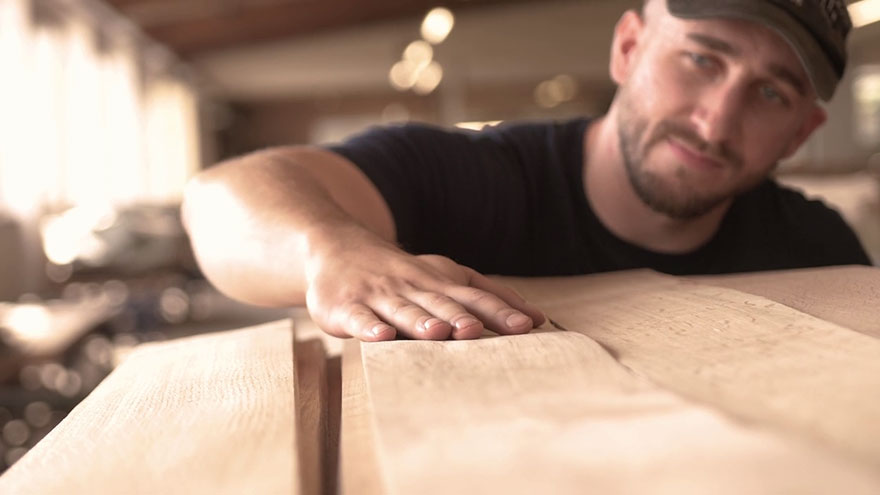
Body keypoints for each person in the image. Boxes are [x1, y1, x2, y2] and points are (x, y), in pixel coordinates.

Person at [181, 0, 870, 342]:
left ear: (801, 134)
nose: (716, 121)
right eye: (701, 60)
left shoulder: (819, 248)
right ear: (629, 48)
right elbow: (221, 199)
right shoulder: (475, 178)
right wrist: (328, 248)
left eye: (771, 93)